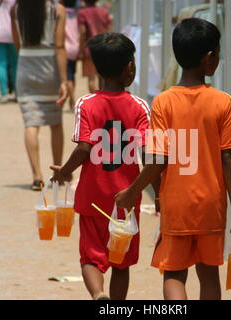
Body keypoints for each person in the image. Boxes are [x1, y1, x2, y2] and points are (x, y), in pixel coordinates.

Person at [115, 18, 231, 300]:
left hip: (177, 204)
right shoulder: (222, 101)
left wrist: (134, 191)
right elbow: (229, 159)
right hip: (211, 206)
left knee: (174, 274)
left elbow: (157, 160)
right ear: (209, 58)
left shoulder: (163, 102)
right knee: (209, 272)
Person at [49, 32, 158, 300]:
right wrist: (159, 194)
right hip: (126, 198)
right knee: (122, 263)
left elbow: (84, 148)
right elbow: (149, 156)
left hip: (92, 198)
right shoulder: (139, 106)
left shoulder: (86, 104)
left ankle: (98, 294)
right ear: (129, 68)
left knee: (90, 257)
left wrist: (64, 172)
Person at [11, 0, 68, 190]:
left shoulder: (16, 9)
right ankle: (58, 172)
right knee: (56, 122)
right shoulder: (57, 10)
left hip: (25, 69)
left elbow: (17, 45)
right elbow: (59, 46)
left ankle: (37, 176)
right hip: (49, 70)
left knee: (30, 123)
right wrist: (63, 80)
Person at [78, 0, 112, 93]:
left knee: (91, 79)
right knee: (103, 78)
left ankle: (95, 100)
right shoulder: (104, 12)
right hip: (104, 49)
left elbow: (83, 33)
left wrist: (81, 51)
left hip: (90, 50)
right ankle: (102, 100)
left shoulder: (82, 13)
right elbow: (109, 30)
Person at [62, 0, 79, 111]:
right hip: (75, 47)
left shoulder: (61, 13)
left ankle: (72, 101)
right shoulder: (77, 14)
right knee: (72, 75)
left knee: (67, 76)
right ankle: (71, 100)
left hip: (65, 47)